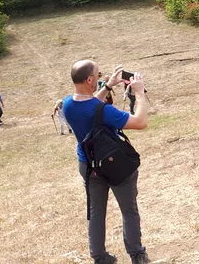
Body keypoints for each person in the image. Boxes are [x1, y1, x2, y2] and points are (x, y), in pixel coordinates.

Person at [63, 61, 151, 264]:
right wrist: (139, 93)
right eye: (98, 74)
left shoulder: (68, 104)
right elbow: (141, 122)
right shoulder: (105, 111)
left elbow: (89, 106)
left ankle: (100, 257)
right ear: (90, 79)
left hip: (88, 165)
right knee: (129, 210)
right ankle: (137, 254)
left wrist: (109, 85)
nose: (101, 76)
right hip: (114, 164)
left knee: (96, 212)